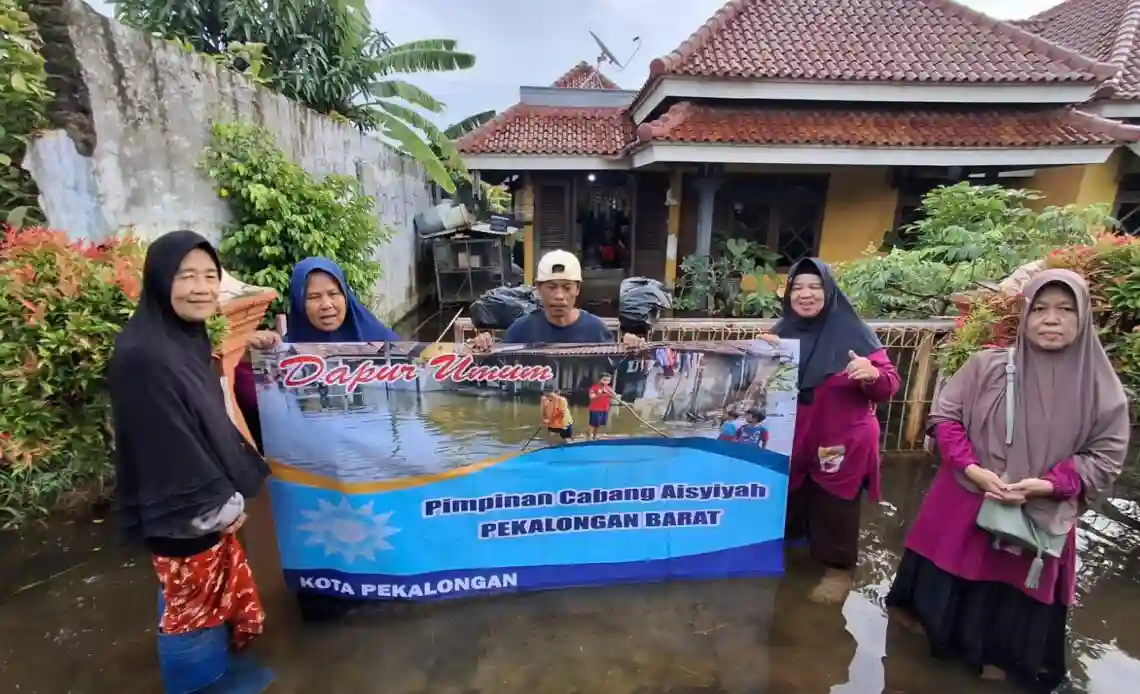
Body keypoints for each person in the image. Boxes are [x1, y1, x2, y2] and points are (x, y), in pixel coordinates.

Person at [886, 270, 1129, 690]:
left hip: (1035, 517)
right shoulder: (987, 367)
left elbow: (1105, 458)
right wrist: (971, 468)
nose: (1051, 319)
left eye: (1065, 310)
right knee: (934, 603)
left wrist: (1049, 485)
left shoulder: (1102, 394)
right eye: (1040, 309)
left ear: (1084, 317)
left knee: (1010, 621)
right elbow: (945, 418)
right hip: (963, 503)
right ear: (1025, 315)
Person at [107, 231, 274, 693]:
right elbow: (167, 443)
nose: (201, 287)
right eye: (186, 276)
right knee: (190, 606)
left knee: (199, 597)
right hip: (185, 510)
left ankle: (216, 674)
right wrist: (219, 504)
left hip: (204, 504)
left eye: (209, 276)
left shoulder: (183, 338)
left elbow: (203, 412)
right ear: (161, 281)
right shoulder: (143, 357)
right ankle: (197, 684)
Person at [775, 257, 901, 604]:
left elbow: (889, 384)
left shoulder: (853, 333)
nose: (805, 294)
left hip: (842, 439)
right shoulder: (781, 333)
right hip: (797, 436)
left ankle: (838, 569)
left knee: (836, 505)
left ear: (829, 291)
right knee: (793, 495)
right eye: (797, 287)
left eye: (815, 287)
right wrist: (759, 355)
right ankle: (796, 550)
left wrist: (871, 374)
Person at [234, 257, 401, 447]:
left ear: (346, 296)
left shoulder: (382, 341)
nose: (327, 304)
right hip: (315, 463)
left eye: (333, 293)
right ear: (299, 303)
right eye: (313, 297)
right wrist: (249, 363)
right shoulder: (283, 356)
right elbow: (259, 412)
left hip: (377, 458)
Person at [472, 250, 644, 349]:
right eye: (551, 287)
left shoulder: (596, 330)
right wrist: (483, 347)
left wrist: (632, 348)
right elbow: (498, 372)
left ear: (577, 289)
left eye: (567, 287)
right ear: (538, 289)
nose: (559, 296)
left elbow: (617, 379)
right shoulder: (520, 330)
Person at [587, 373, 614, 439]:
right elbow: (591, 397)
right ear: (600, 380)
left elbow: (614, 395)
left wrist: (611, 394)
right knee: (593, 424)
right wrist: (601, 393)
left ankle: (595, 435)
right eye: (604, 380)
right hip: (595, 409)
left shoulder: (609, 388)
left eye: (608, 380)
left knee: (599, 424)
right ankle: (589, 435)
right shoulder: (594, 387)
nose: (606, 382)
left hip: (605, 409)